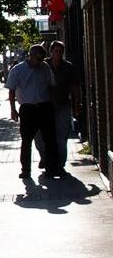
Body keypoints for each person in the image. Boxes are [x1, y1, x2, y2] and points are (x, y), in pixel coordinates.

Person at [5, 44, 59, 179]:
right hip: (27, 109)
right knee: (26, 141)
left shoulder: (45, 68)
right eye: (38, 59)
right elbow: (11, 91)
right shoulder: (18, 70)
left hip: (44, 107)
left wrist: (53, 105)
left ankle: (51, 169)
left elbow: (51, 87)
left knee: (50, 140)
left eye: (42, 59)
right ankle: (26, 170)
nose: (40, 62)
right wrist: (13, 110)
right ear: (31, 56)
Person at [34, 40, 81, 175]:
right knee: (40, 137)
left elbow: (76, 88)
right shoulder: (43, 66)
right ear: (51, 52)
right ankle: (45, 158)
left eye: (61, 52)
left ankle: (59, 165)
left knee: (61, 137)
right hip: (45, 106)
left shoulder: (68, 67)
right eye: (56, 51)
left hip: (62, 105)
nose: (58, 54)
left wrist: (77, 105)